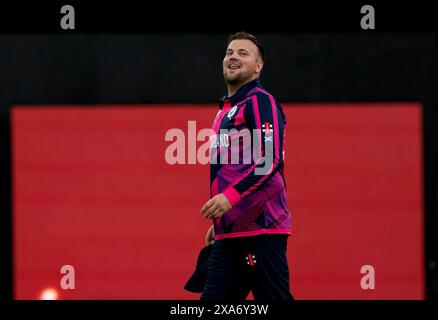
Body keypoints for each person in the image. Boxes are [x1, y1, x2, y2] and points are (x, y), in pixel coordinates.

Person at [199, 31, 293, 300]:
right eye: (230, 52)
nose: (234, 57)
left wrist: (230, 198)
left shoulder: (260, 101)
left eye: (243, 53)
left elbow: (270, 160)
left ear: (258, 65)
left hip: (262, 230)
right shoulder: (225, 110)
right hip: (231, 232)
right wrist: (223, 218)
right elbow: (236, 169)